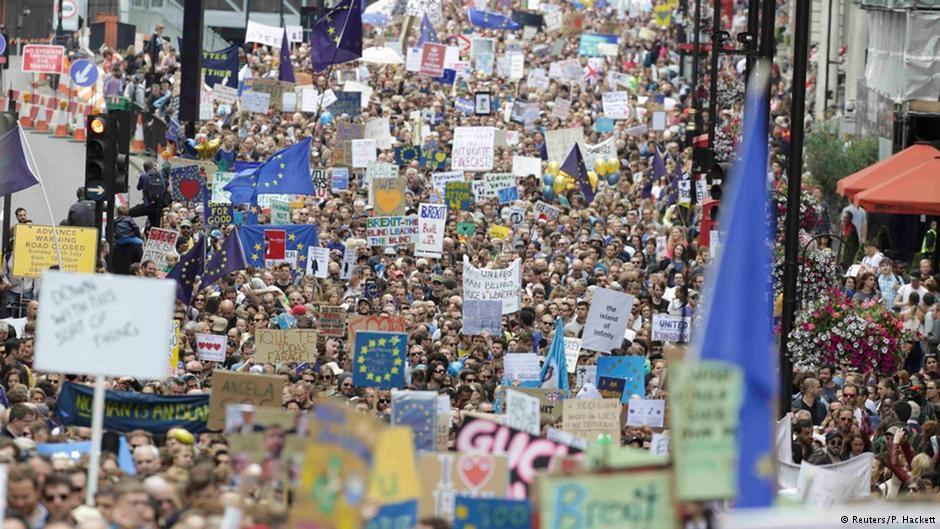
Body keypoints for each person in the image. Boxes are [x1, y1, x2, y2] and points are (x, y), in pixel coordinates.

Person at [128, 161, 168, 230]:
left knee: (128, 213)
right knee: (155, 228)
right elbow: (166, 185)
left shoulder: (143, 176)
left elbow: (138, 188)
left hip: (147, 205)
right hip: (158, 207)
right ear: (153, 166)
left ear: (144, 168)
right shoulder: (160, 175)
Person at [7, 465, 47, 529]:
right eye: (14, 497)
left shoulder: (50, 519)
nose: (19, 503)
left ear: (38, 491)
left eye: (25, 497)